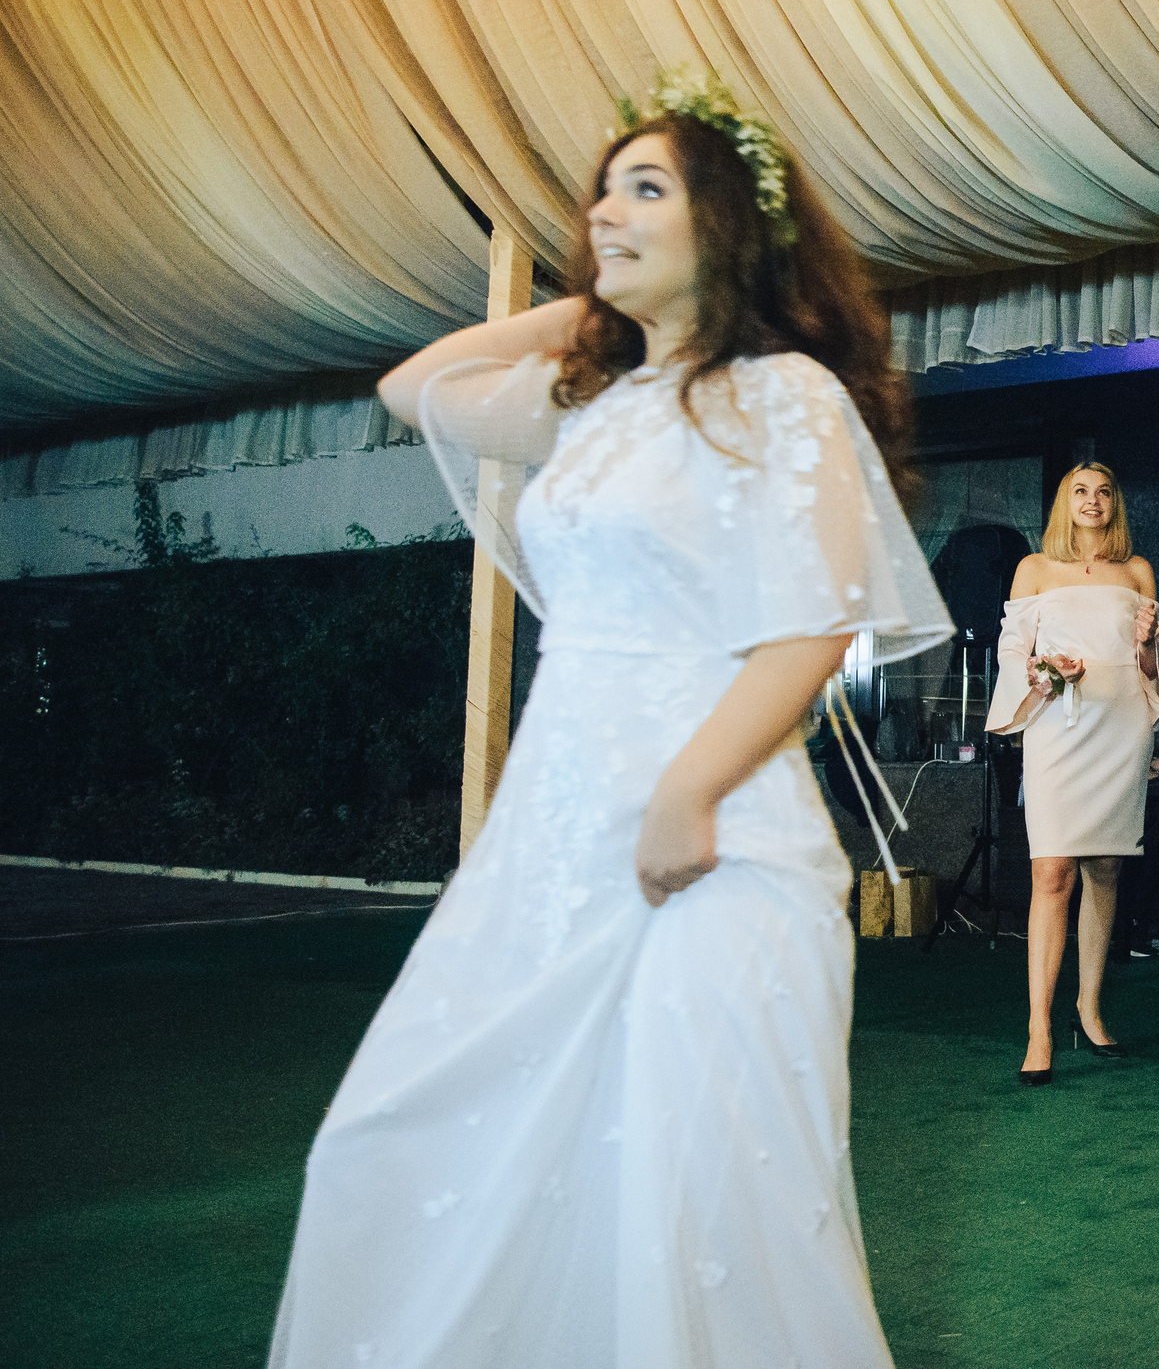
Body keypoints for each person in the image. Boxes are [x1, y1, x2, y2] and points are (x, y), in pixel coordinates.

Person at [272, 72, 951, 1367]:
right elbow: (416, 384)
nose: (603, 209)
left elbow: (809, 627)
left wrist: (686, 795)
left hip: (711, 835)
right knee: (409, 1142)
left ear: (732, 229)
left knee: (690, 1194)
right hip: (552, 833)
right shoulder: (589, 405)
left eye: (647, 189)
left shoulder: (783, 393)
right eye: (600, 191)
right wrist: (593, 305)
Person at [985, 463, 1159, 1084]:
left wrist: (1147, 643)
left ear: (1116, 504)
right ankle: (1040, 1026)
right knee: (1052, 871)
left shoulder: (1136, 571)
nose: (1093, 501)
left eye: (1104, 492)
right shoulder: (1035, 568)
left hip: (1121, 729)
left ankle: (1089, 1006)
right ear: (1065, 502)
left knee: (1106, 866)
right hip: (1059, 727)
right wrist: (1039, 673)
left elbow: (1147, 663)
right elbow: (1012, 651)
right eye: (1081, 492)